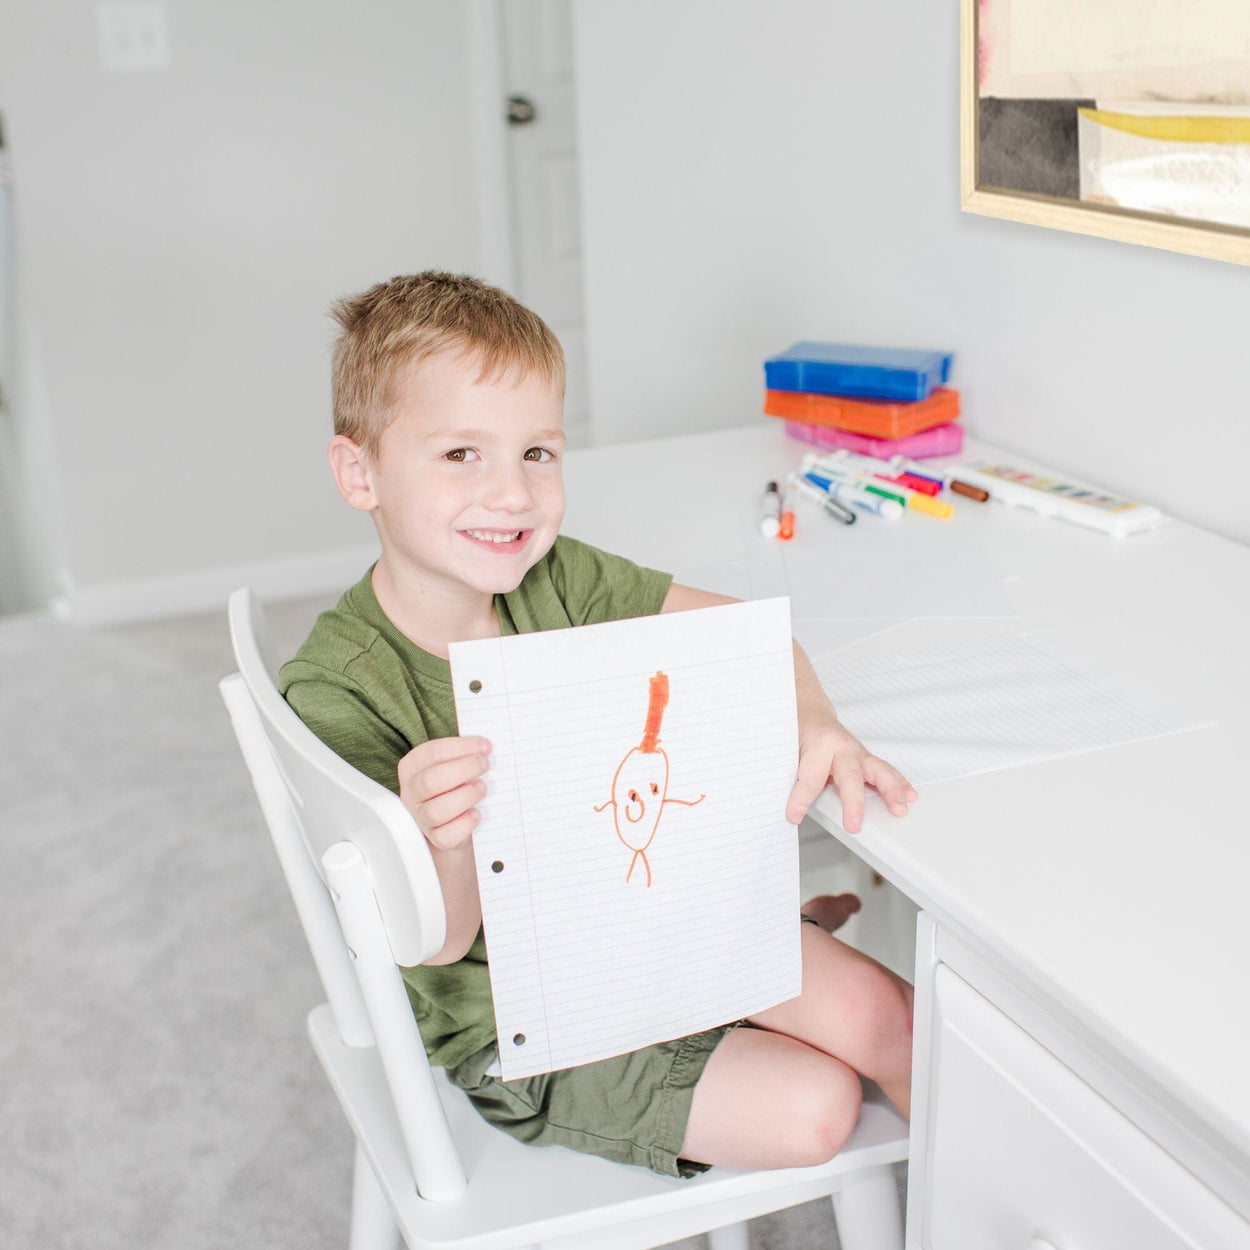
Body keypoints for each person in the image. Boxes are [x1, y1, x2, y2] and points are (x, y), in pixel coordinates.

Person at [280, 271, 918, 1179]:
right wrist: (440, 837)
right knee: (818, 1106)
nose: (511, 495)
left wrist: (818, 722)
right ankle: (750, 991)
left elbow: (744, 636)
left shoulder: (555, 576)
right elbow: (439, 942)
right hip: (519, 1015)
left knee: (889, 1021)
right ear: (360, 473)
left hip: (645, 921)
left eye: (537, 453)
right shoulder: (340, 687)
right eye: (462, 454)